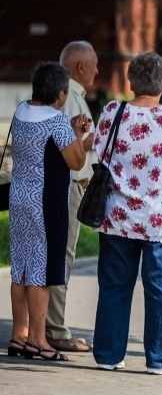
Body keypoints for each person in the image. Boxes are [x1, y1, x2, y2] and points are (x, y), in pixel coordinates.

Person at [91, 52, 162, 375]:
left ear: (130, 82)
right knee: (161, 290)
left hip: (118, 218)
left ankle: (109, 355)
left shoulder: (113, 113)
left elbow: (98, 148)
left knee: (114, 286)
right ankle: (157, 359)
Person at [7, 62, 89, 361]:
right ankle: (39, 340)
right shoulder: (56, 121)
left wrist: (71, 132)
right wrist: (77, 134)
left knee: (21, 269)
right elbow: (76, 161)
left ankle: (19, 334)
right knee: (40, 272)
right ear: (61, 94)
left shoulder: (20, 110)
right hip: (46, 202)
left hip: (19, 197)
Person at [44, 41, 99, 354]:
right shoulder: (68, 98)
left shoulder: (69, 95)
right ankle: (54, 328)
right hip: (69, 185)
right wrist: (91, 141)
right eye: (94, 65)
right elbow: (63, 147)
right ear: (80, 67)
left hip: (69, 185)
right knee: (61, 257)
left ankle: (45, 326)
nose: (97, 71)